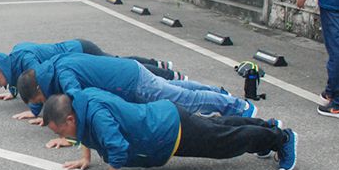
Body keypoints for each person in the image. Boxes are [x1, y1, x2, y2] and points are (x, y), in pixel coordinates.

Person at [39, 89, 298, 170]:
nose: (62, 137)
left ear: (70, 118)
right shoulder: (82, 102)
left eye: (60, 131)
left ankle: (281, 139)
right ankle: (267, 129)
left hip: (168, 131)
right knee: (218, 128)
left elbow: (117, 146)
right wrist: (85, 157)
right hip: (165, 117)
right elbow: (86, 131)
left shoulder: (95, 115)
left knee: (223, 143)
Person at [15, 54, 256, 121]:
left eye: (40, 99)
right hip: (129, 72)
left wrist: (74, 137)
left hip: (131, 82)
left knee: (183, 99)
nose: (45, 100)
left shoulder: (63, 75)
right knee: (174, 88)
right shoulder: (55, 67)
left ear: (39, 88)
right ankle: (218, 93)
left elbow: (78, 100)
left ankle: (238, 106)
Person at [0, 40, 184, 107]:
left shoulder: (26, 60)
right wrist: (13, 91)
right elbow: (21, 80)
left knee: (120, 65)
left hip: (80, 51)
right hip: (74, 57)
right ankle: (160, 66)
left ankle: (170, 75)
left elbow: (38, 83)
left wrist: (35, 109)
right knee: (119, 61)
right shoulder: (13, 62)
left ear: (2, 69)